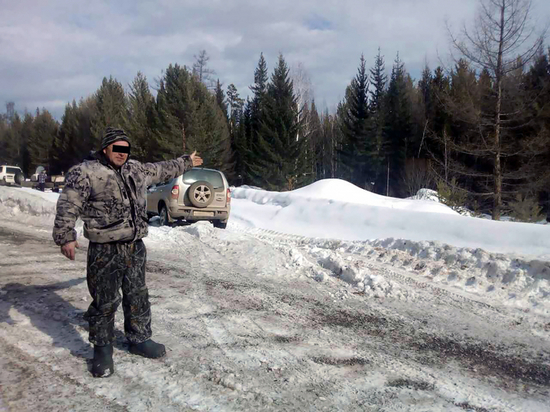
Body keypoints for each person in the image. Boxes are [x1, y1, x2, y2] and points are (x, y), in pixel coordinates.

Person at [52, 127, 203, 378]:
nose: (122, 154)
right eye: (117, 149)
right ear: (105, 149)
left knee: (137, 293)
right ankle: (102, 349)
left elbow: (163, 169)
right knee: (105, 300)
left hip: (134, 246)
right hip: (104, 248)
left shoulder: (136, 169)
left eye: (126, 149)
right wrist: (65, 236)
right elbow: (68, 204)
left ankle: (139, 338)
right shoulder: (85, 172)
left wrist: (186, 161)